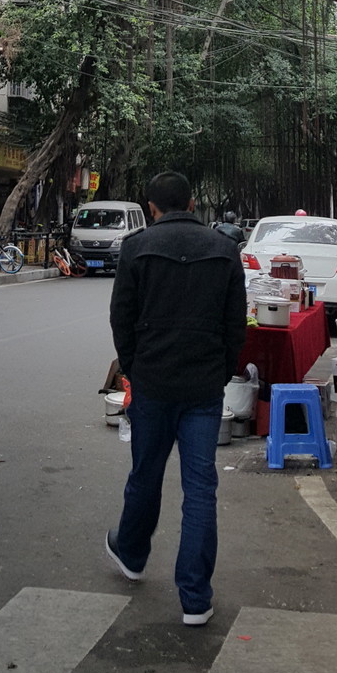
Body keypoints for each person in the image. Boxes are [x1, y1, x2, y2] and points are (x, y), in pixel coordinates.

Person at [105, 169, 248, 626]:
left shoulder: (136, 248)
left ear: (152, 208)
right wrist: (219, 370)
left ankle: (131, 554)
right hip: (203, 388)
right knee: (200, 487)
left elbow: (121, 319)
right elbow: (234, 325)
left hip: (153, 383)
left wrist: (135, 367)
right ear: (191, 204)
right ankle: (195, 597)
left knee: (146, 473)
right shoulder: (224, 251)